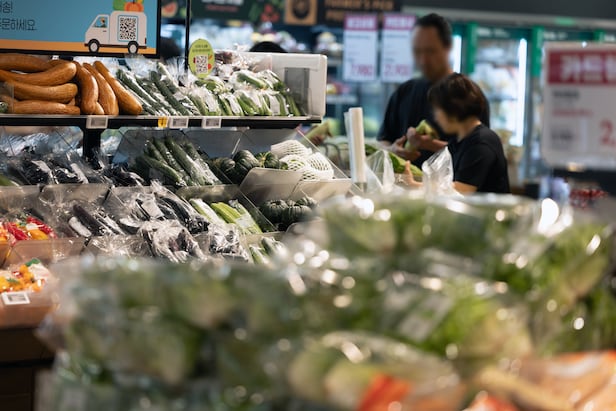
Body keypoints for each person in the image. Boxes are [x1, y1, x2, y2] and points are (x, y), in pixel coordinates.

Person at [378, 13, 490, 166]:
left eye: (430, 51)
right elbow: (383, 140)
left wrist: (431, 145)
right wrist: (392, 151)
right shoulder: (404, 92)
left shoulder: (469, 95)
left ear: (447, 47)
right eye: (417, 51)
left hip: (454, 182)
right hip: (403, 181)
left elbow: (478, 152)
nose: (423, 60)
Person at [405, 73, 509, 194]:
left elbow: (461, 190)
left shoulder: (482, 142)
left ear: (453, 109)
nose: (436, 118)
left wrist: (413, 184)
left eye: (437, 110)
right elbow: (454, 154)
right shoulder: (463, 139)